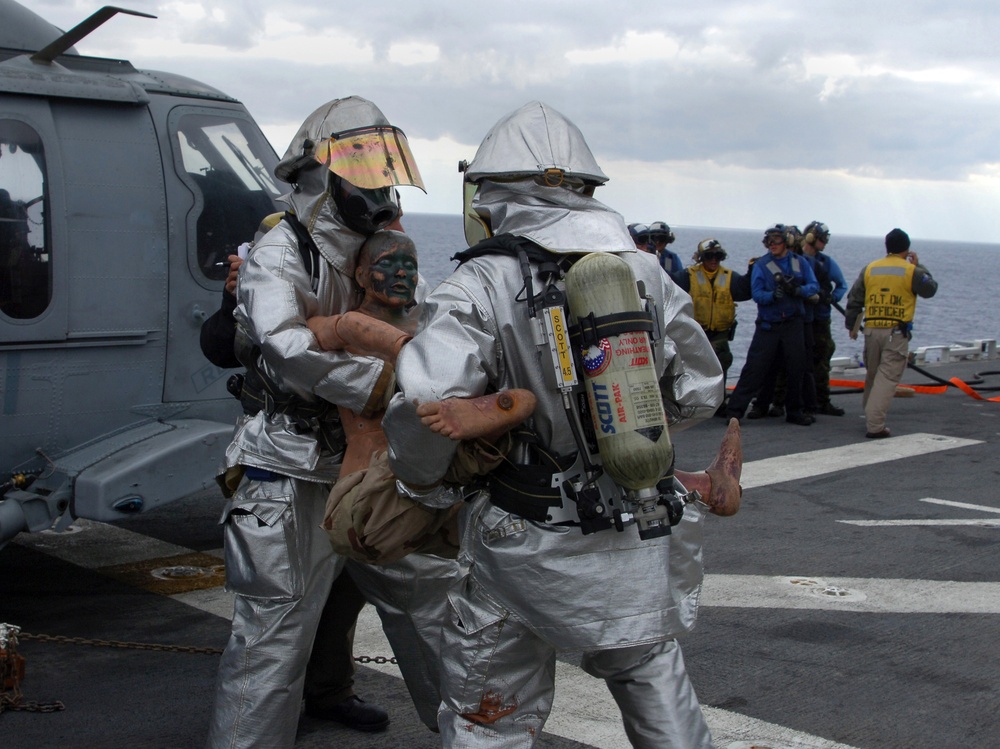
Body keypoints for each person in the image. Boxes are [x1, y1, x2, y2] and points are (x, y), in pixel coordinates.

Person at [382, 101, 731, 749]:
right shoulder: (646, 271)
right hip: (636, 528)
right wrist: (625, 425)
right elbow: (700, 388)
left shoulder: (483, 279)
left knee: (492, 720)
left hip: (523, 541)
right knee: (657, 689)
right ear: (586, 189)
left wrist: (422, 486)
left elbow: (426, 403)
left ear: (494, 192)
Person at [205, 96, 458, 749]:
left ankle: (486, 734)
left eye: (383, 166)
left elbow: (421, 330)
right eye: (363, 167)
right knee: (272, 638)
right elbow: (285, 347)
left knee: (436, 607)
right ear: (323, 173)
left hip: (371, 466)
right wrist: (376, 379)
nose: (378, 182)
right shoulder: (279, 248)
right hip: (285, 466)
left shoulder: (387, 251)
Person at [199, 232, 389, 734]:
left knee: (346, 595)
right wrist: (232, 301)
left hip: (358, 462)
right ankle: (266, 717)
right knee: (277, 615)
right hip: (287, 461)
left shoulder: (376, 259)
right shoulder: (276, 269)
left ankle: (329, 691)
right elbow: (223, 347)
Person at [844, 228, 937, 438]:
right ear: (907, 249)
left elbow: (855, 298)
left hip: (871, 330)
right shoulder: (911, 271)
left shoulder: (870, 268)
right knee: (887, 378)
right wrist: (918, 265)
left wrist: (852, 325)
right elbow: (930, 289)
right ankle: (875, 425)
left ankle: (869, 414)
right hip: (895, 333)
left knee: (873, 376)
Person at [725, 224, 820, 426]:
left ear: (786, 242)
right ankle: (734, 412)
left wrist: (799, 291)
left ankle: (795, 411)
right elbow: (757, 294)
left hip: (793, 324)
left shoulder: (800, 263)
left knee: (797, 369)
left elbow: (813, 286)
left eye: (776, 240)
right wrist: (772, 296)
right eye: (769, 241)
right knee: (754, 368)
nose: (772, 245)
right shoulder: (761, 265)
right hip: (768, 326)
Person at [669, 238, 751, 415]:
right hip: (697, 333)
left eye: (718, 256)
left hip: (720, 334)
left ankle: (718, 403)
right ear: (701, 258)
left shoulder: (730, 277)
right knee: (692, 367)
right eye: (709, 256)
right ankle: (692, 402)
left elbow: (745, 292)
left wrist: (753, 272)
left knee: (722, 365)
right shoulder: (687, 276)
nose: (714, 260)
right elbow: (670, 286)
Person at [800, 221, 848, 415]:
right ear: (812, 238)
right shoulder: (797, 261)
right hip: (802, 318)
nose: (825, 243)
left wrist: (831, 298)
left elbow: (841, 285)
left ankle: (821, 400)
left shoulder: (826, 263)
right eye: (822, 239)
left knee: (822, 358)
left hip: (820, 318)